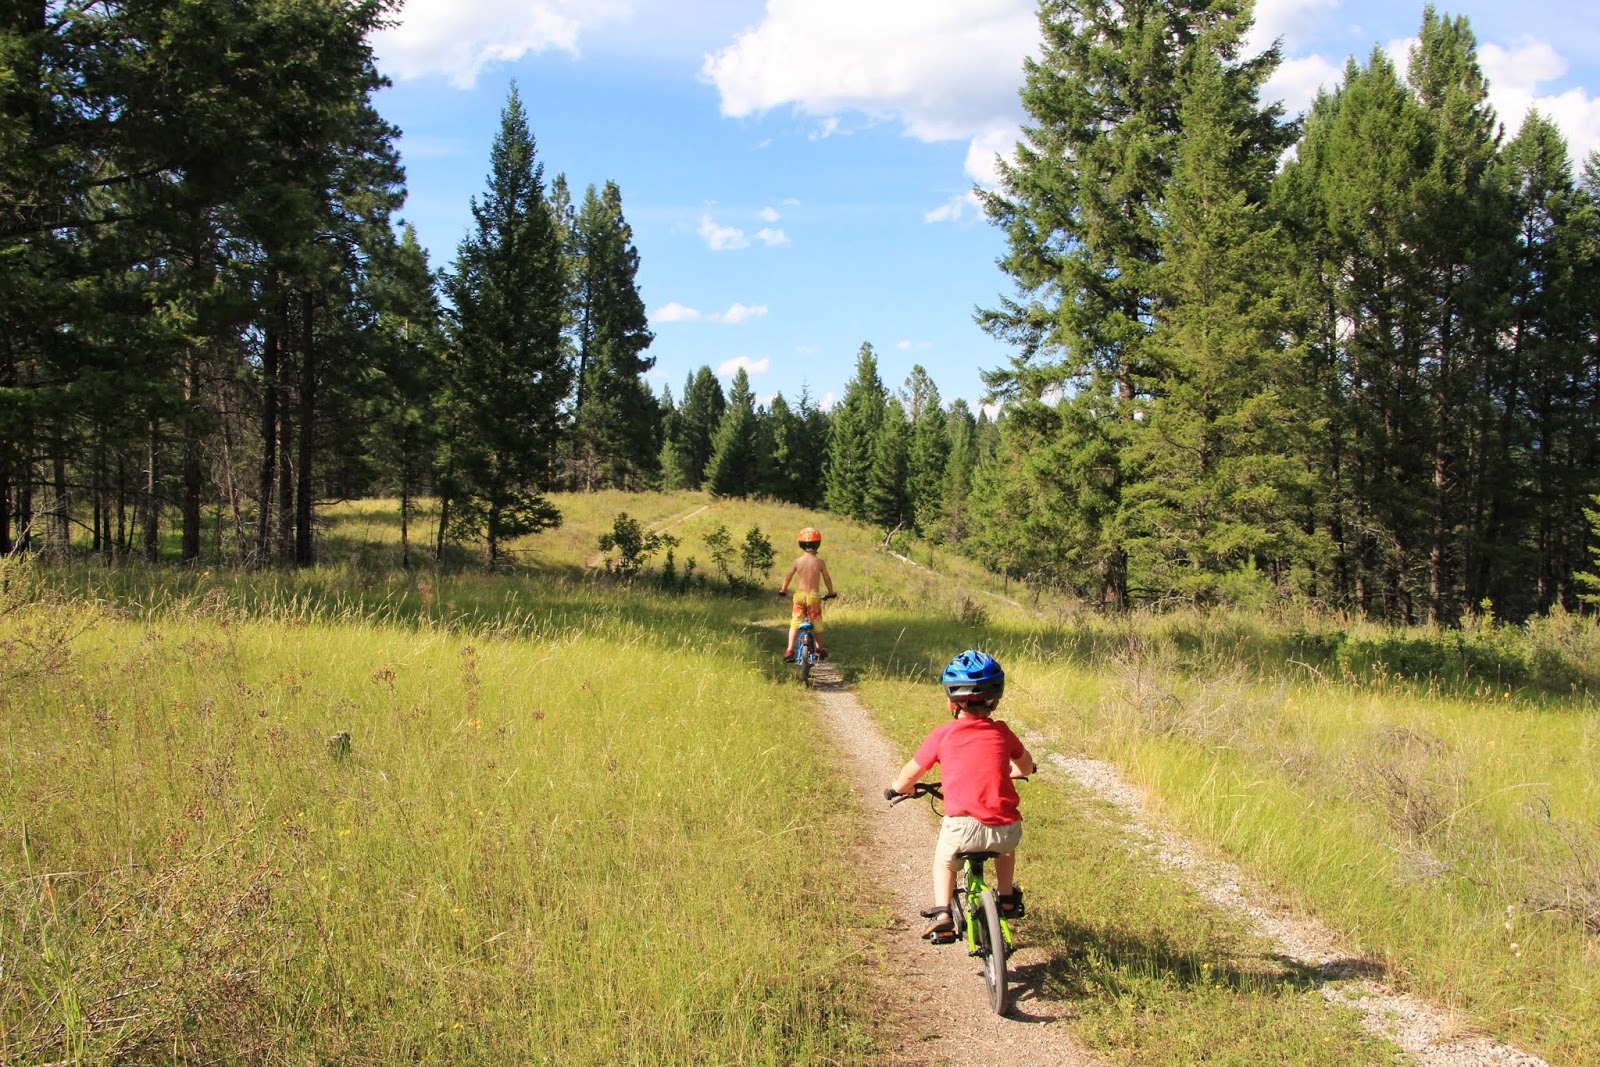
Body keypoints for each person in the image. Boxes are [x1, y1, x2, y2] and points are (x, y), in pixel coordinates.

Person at [888, 650, 1034, 942]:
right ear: (995, 700)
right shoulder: (1003, 732)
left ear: (952, 702)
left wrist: (898, 788)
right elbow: (1026, 766)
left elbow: (910, 774)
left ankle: (943, 914)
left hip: (961, 830)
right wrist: (1013, 772)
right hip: (1005, 830)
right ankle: (1005, 897)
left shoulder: (944, 735)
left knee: (944, 860)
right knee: (1005, 850)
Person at [778, 526, 835, 662]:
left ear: (801, 544)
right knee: (817, 624)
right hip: (813, 597)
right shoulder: (819, 562)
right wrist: (831, 592)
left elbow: (788, 577)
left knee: (795, 623)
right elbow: (827, 579)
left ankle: (789, 650)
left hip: (799, 596)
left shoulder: (797, 562)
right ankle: (819, 650)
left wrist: (783, 589)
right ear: (818, 544)